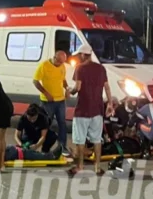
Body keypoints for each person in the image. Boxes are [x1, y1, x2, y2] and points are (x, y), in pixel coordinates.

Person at [69, 43, 113, 175]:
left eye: (79, 55)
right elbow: (107, 87)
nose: (79, 57)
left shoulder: (80, 68)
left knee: (80, 139)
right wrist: (110, 103)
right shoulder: (101, 68)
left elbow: (77, 87)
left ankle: (80, 166)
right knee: (97, 139)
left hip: (83, 109)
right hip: (97, 109)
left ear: (83, 55)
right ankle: (97, 167)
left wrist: (70, 92)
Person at [33, 48, 70, 156]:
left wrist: (67, 88)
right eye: (58, 61)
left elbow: (63, 79)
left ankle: (62, 147)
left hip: (60, 101)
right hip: (47, 102)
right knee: (45, 124)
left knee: (62, 123)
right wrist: (46, 93)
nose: (60, 64)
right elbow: (35, 81)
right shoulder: (44, 65)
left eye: (62, 62)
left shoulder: (62, 66)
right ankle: (44, 147)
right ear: (54, 57)